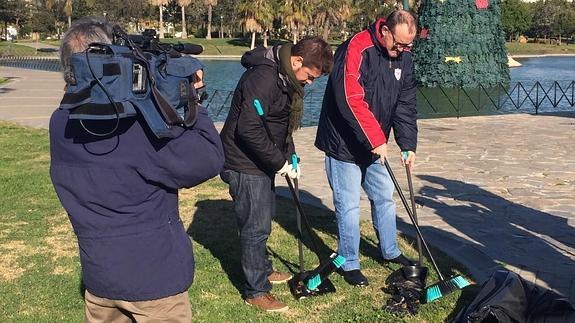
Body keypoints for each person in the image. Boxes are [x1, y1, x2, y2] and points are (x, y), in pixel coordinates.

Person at [50, 18, 224, 322]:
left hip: (100, 277)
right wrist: (192, 96)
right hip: (154, 282)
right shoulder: (135, 128)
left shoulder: (60, 121)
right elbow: (208, 158)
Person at [220, 37, 334, 312]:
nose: (310, 82)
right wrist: (277, 162)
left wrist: (290, 157)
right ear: (296, 61)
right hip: (243, 161)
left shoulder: (286, 77)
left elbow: (278, 124)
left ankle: (263, 269)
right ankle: (256, 290)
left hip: (261, 159)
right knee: (255, 227)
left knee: (265, 216)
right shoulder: (264, 78)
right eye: (309, 76)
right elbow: (248, 128)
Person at [315, 10, 418, 287]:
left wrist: (407, 144)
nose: (402, 51)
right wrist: (375, 139)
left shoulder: (404, 56)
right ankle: (349, 262)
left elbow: (405, 103)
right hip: (344, 143)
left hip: (376, 145)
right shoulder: (357, 47)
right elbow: (350, 98)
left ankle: (390, 251)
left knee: (384, 197)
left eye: (408, 46)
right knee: (348, 206)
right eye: (398, 44)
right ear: (384, 30)